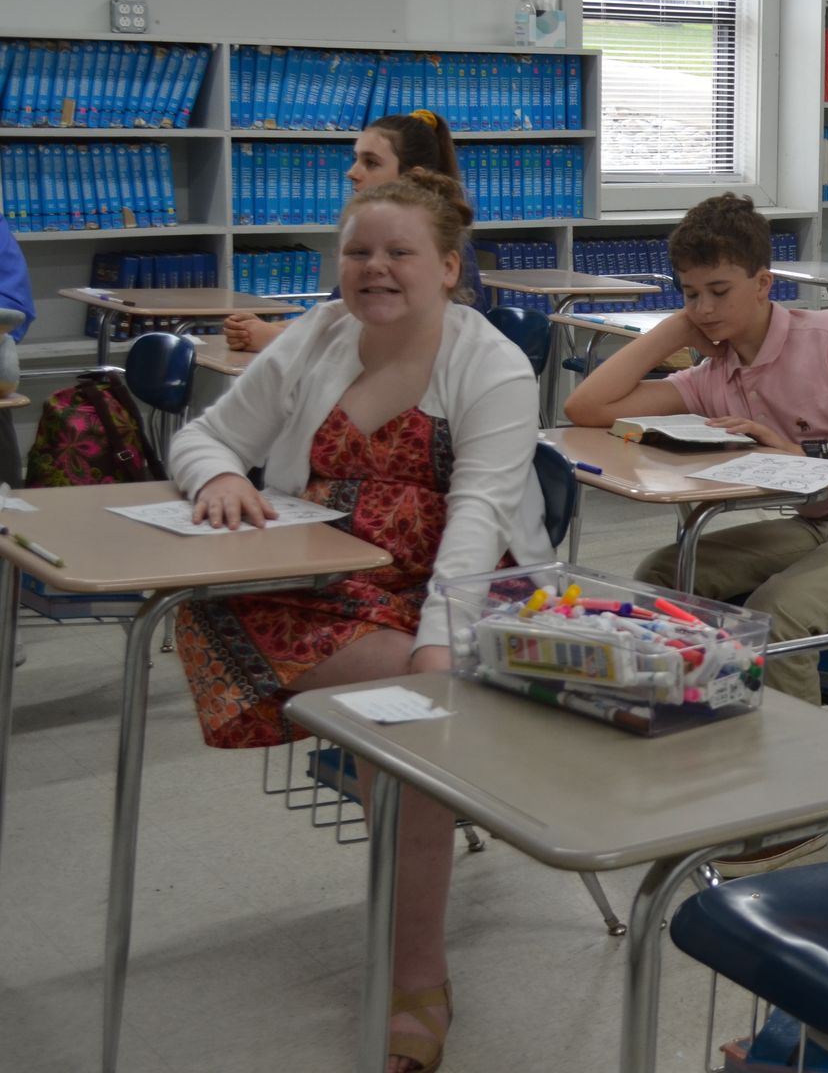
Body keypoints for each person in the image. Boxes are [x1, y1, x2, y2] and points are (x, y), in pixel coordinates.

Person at [169, 169, 550, 1073]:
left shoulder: (492, 362)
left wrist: (433, 648)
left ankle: (418, 975)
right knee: (399, 730)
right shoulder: (316, 335)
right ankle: (402, 793)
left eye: (399, 253)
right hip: (308, 587)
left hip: (453, 593)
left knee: (408, 740)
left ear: (450, 267)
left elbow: (478, 520)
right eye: (358, 251)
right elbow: (203, 437)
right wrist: (219, 476)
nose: (374, 268)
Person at [562, 193, 828, 747]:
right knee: (664, 575)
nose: (705, 309)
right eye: (690, 294)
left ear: (763, 283)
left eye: (719, 291)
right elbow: (588, 409)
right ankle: (703, 731)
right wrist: (673, 330)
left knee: (778, 612)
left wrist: (808, 454)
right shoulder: (714, 371)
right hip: (819, 520)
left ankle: (795, 799)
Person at [223, 109, 488, 352]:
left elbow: (378, 340)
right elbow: (335, 314)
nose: (352, 172)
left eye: (370, 163)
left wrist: (272, 338)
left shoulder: (438, 247)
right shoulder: (374, 242)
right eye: (355, 160)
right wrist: (263, 329)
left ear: (412, 177)